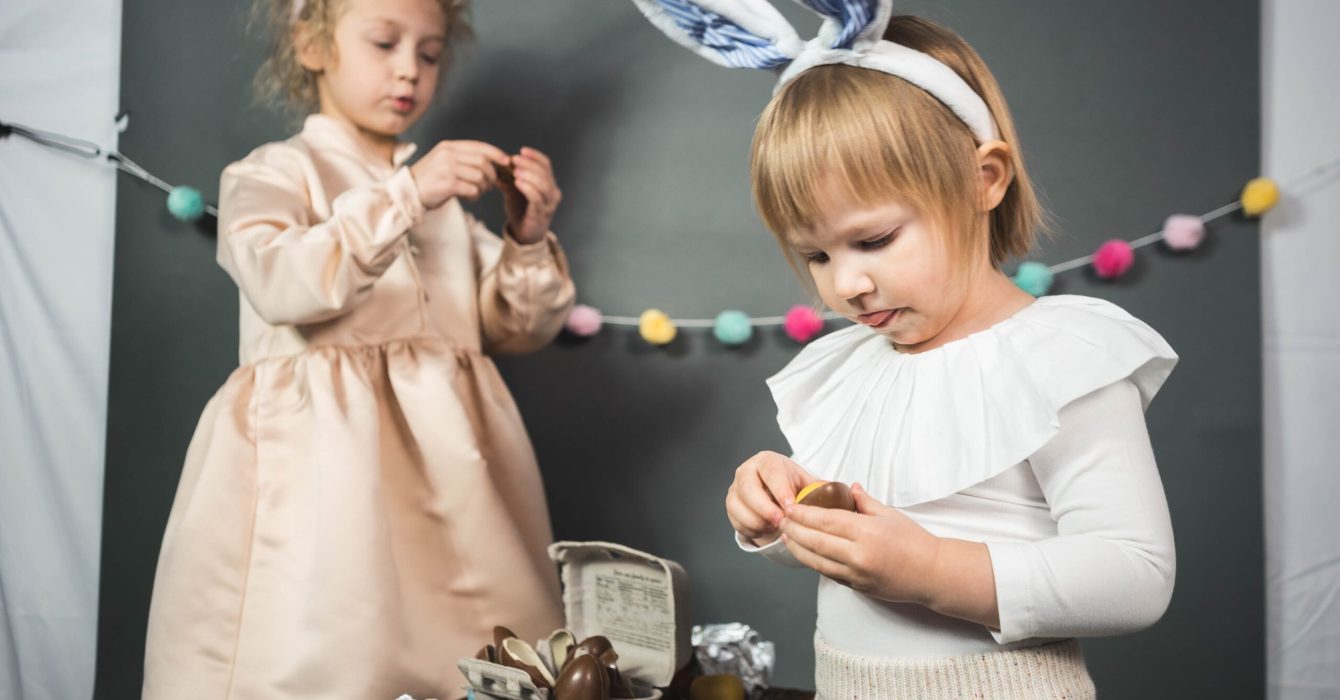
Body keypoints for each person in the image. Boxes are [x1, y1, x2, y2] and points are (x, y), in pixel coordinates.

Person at [630, 1, 1178, 697]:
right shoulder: (857, 366)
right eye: (816, 255)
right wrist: (778, 508)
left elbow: (1134, 575)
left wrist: (931, 569)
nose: (848, 284)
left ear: (986, 180)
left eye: (876, 240)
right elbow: (857, 545)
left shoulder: (1060, 361)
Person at [143, 0, 573, 696]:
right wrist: (405, 194)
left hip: (458, 489)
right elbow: (285, 284)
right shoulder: (273, 174)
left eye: (429, 54)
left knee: (478, 651)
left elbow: (522, 326)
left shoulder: (448, 210)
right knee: (334, 656)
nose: (409, 69)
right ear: (312, 44)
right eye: (384, 43)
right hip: (324, 486)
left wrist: (526, 237)